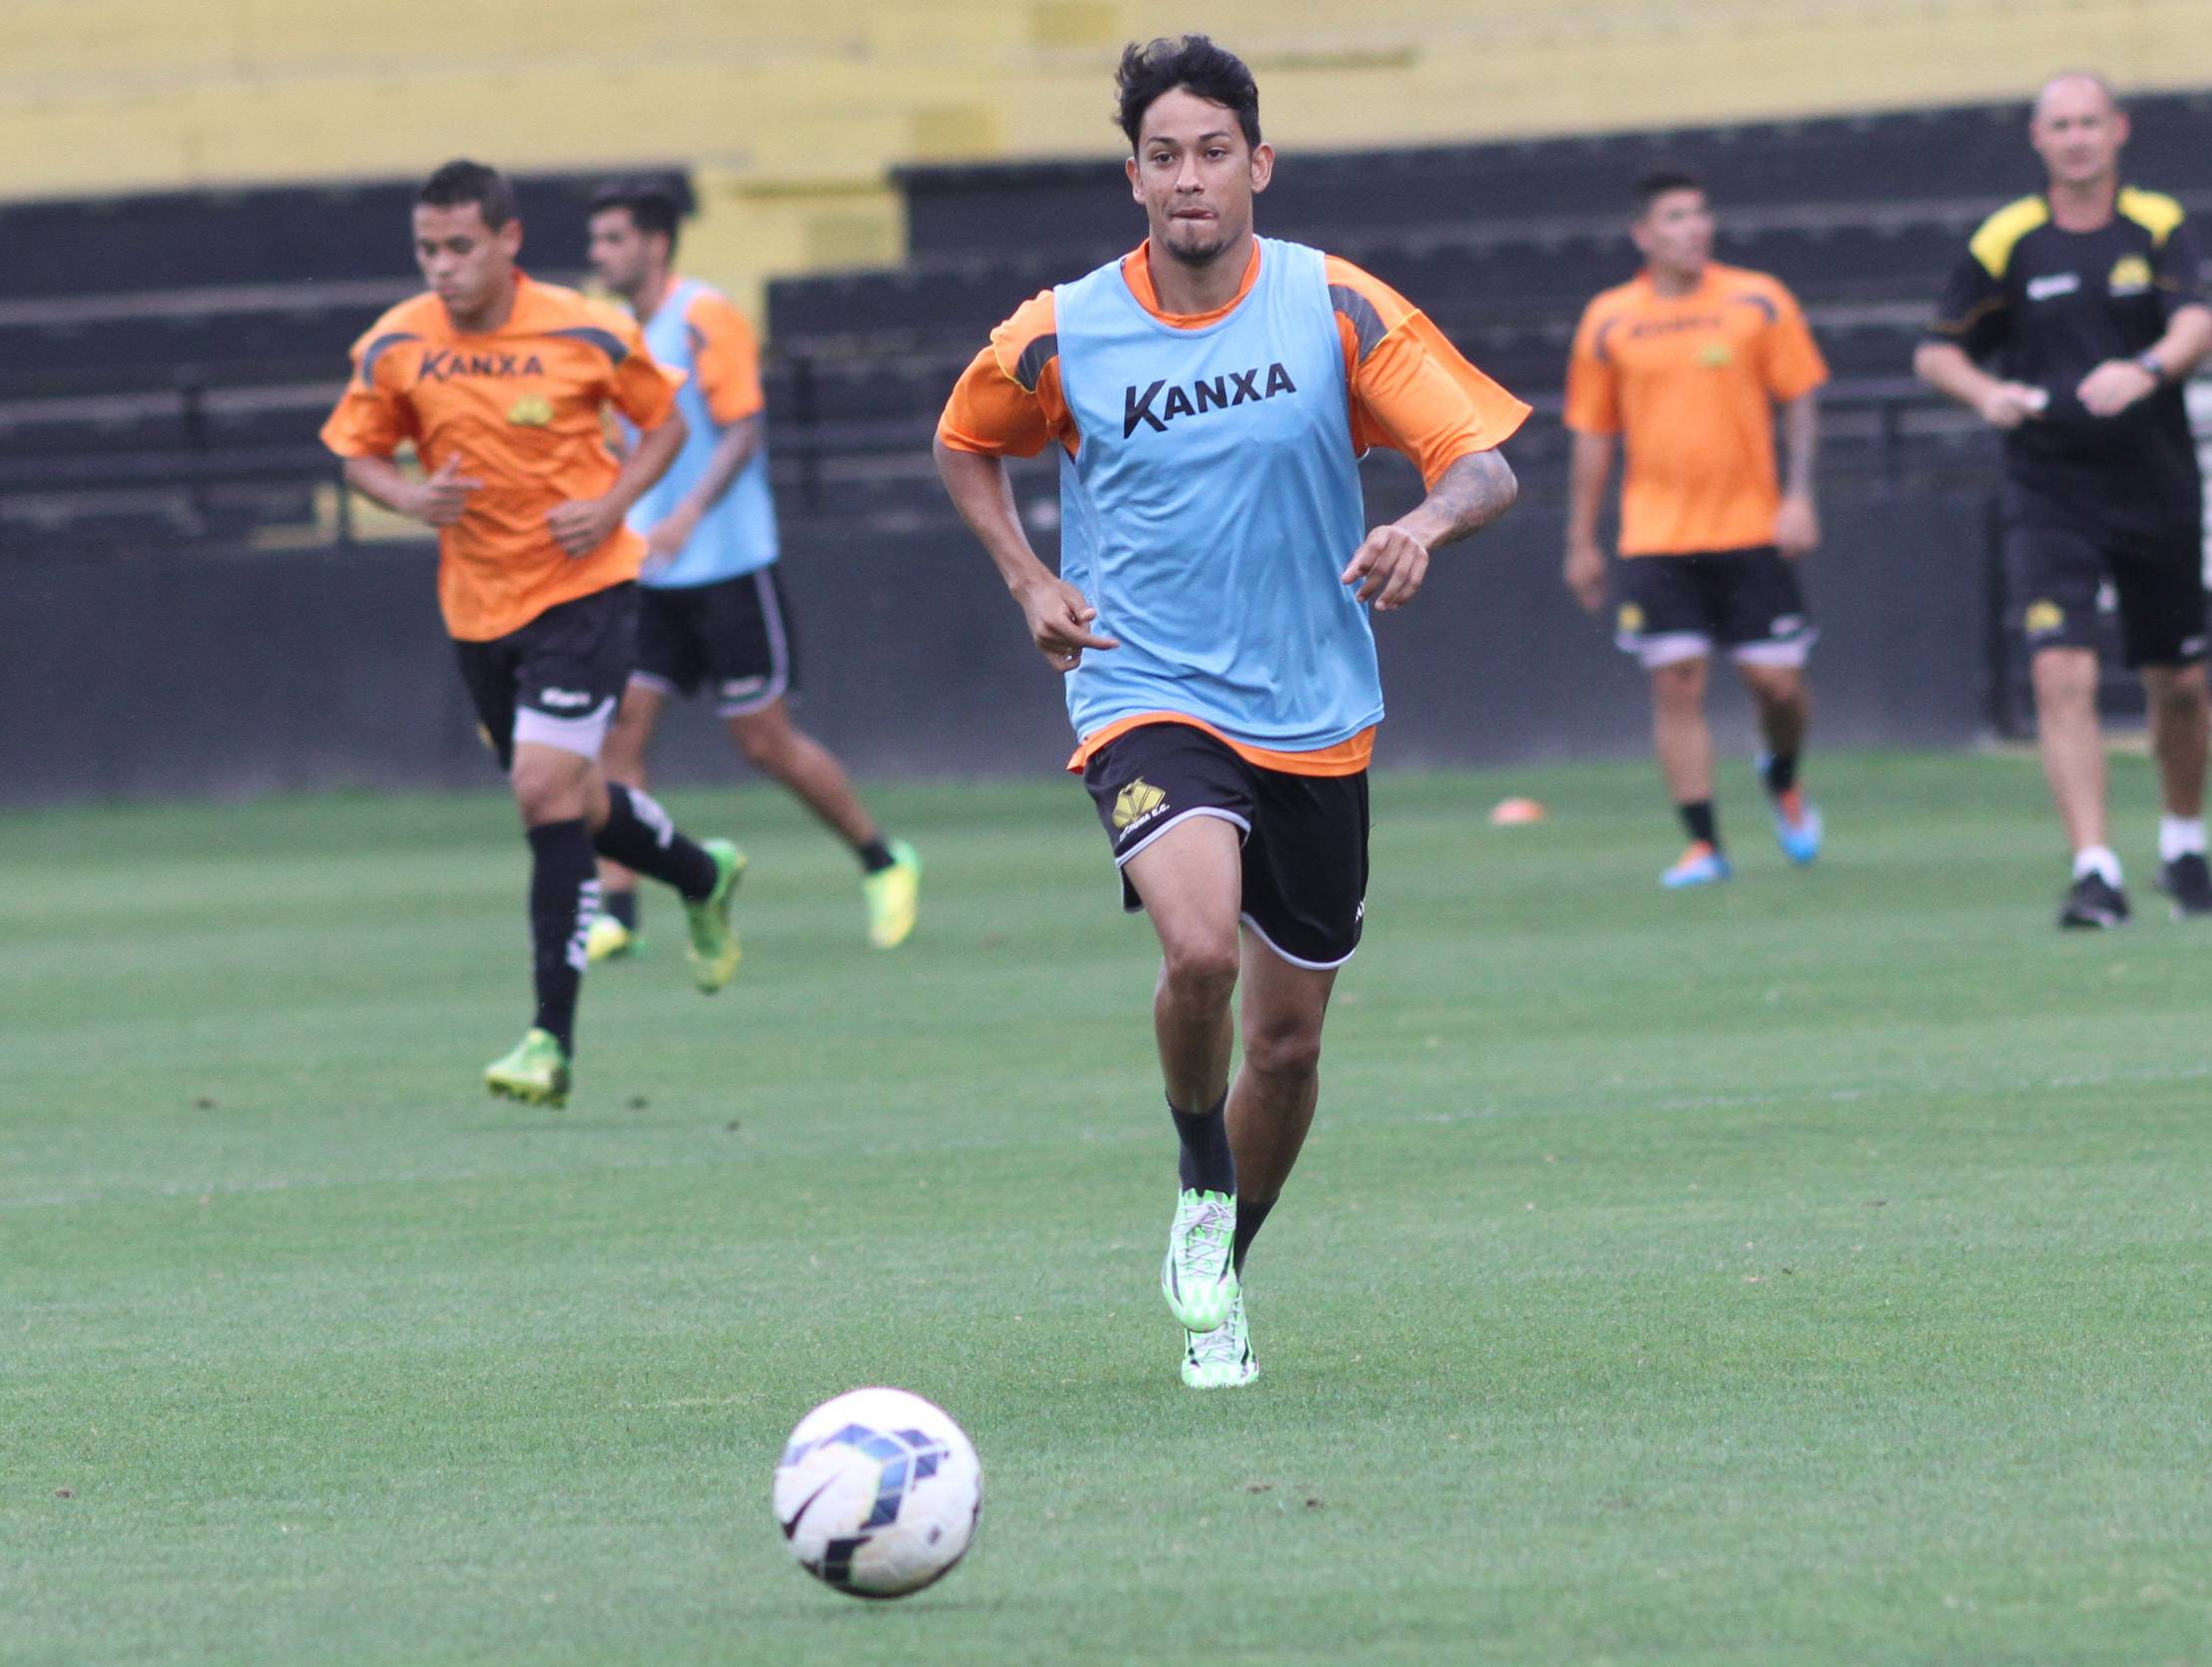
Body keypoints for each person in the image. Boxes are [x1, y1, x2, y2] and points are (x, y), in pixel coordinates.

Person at [931, 36, 1525, 1389]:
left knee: (1289, 1043)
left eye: (1212, 152)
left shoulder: (1332, 305)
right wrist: (1028, 577)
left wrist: (1423, 524)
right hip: (1144, 687)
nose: (1188, 178)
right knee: (1198, 950)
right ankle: (1200, 1179)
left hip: (1314, 707)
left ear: (1259, 165)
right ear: (1133, 179)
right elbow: (965, 442)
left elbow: (1483, 466)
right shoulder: (1062, 329)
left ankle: (1222, 1274)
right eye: (1163, 156)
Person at [322, 160, 748, 1109]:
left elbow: (665, 427)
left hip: (583, 589)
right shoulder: (396, 342)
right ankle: (701, 872)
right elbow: (357, 454)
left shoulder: (585, 328)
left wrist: (611, 506)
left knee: (541, 789)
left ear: (507, 240)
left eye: (460, 246)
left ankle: (548, 1042)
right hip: (477, 608)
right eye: (428, 249)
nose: (442, 266)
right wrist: (409, 498)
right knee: (574, 796)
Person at [1915, 72, 2212, 928]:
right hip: (2049, 486)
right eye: (2062, 125)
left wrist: (2146, 369)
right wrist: (1986, 393)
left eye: (2091, 122)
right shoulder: (2007, 238)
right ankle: (2095, 871)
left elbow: (2198, 324)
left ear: (2118, 129)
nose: (2078, 138)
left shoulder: (2156, 224)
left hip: (2156, 484)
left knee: (2181, 682)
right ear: (2038, 139)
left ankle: (2184, 846)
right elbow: (1936, 352)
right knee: (2061, 671)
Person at [580, 183, 921, 960]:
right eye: (597, 240)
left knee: (763, 743)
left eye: (614, 239)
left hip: (727, 565)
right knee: (620, 732)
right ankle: (620, 913)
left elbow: (742, 430)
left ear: (655, 244)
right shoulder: (614, 332)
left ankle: (882, 859)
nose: (600, 255)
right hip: (648, 570)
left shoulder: (705, 316)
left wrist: (687, 512)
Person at [1562, 170, 1831, 889]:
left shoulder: (1758, 299)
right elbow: (1593, 433)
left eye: (1701, 214)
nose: (1694, 228)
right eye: (1676, 217)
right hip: (1657, 536)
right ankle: (1705, 845)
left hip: (1752, 529)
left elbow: (1801, 397)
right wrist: (1581, 540)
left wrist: (1800, 496)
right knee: (1677, 683)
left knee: (1777, 685)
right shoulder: (1609, 318)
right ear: (1643, 235)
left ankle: (1782, 774)